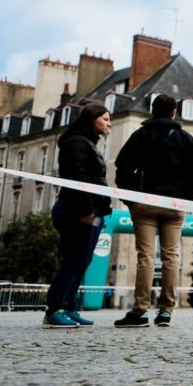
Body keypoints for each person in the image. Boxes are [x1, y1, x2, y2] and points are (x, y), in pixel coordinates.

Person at [112, 93, 193, 328]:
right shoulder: (186, 138)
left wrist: (129, 196)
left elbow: (122, 166)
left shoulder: (140, 135)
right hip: (174, 205)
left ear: (152, 111)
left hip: (144, 203)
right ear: (174, 112)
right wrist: (186, 198)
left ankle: (140, 310)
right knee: (171, 256)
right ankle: (166, 310)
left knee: (146, 257)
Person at [43, 104, 113, 328]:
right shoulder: (77, 143)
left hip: (90, 210)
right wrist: (86, 210)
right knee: (72, 260)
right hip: (78, 210)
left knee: (82, 261)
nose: (108, 123)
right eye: (104, 118)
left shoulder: (86, 143)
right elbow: (77, 177)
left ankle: (70, 307)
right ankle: (55, 309)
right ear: (92, 119)